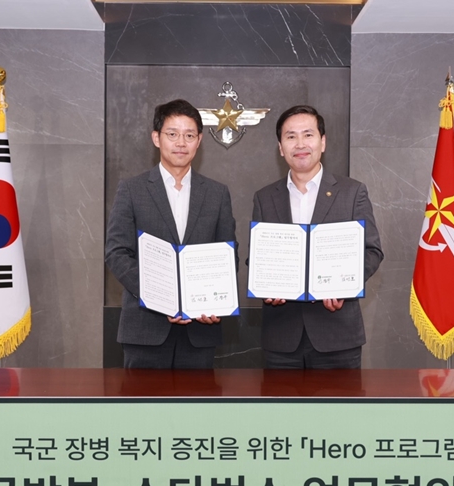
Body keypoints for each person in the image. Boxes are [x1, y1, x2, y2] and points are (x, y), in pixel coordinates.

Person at [105, 99, 237, 369]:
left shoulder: (217, 193)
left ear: (199, 141)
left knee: (197, 398)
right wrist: (160, 297)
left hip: (199, 330)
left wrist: (215, 301)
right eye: (172, 134)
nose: (181, 143)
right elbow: (117, 253)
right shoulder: (132, 189)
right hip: (145, 329)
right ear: (156, 138)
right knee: (143, 399)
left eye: (189, 135)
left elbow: (227, 255)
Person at [251, 105, 383, 369]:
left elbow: (372, 251)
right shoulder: (264, 197)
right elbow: (257, 257)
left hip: (337, 336)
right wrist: (265, 286)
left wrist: (344, 285)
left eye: (308, 135)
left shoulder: (352, 192)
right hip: (281, 338)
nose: (300, 144)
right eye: (291, 136)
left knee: (339, 399)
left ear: (322, 142)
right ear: (280, 147)